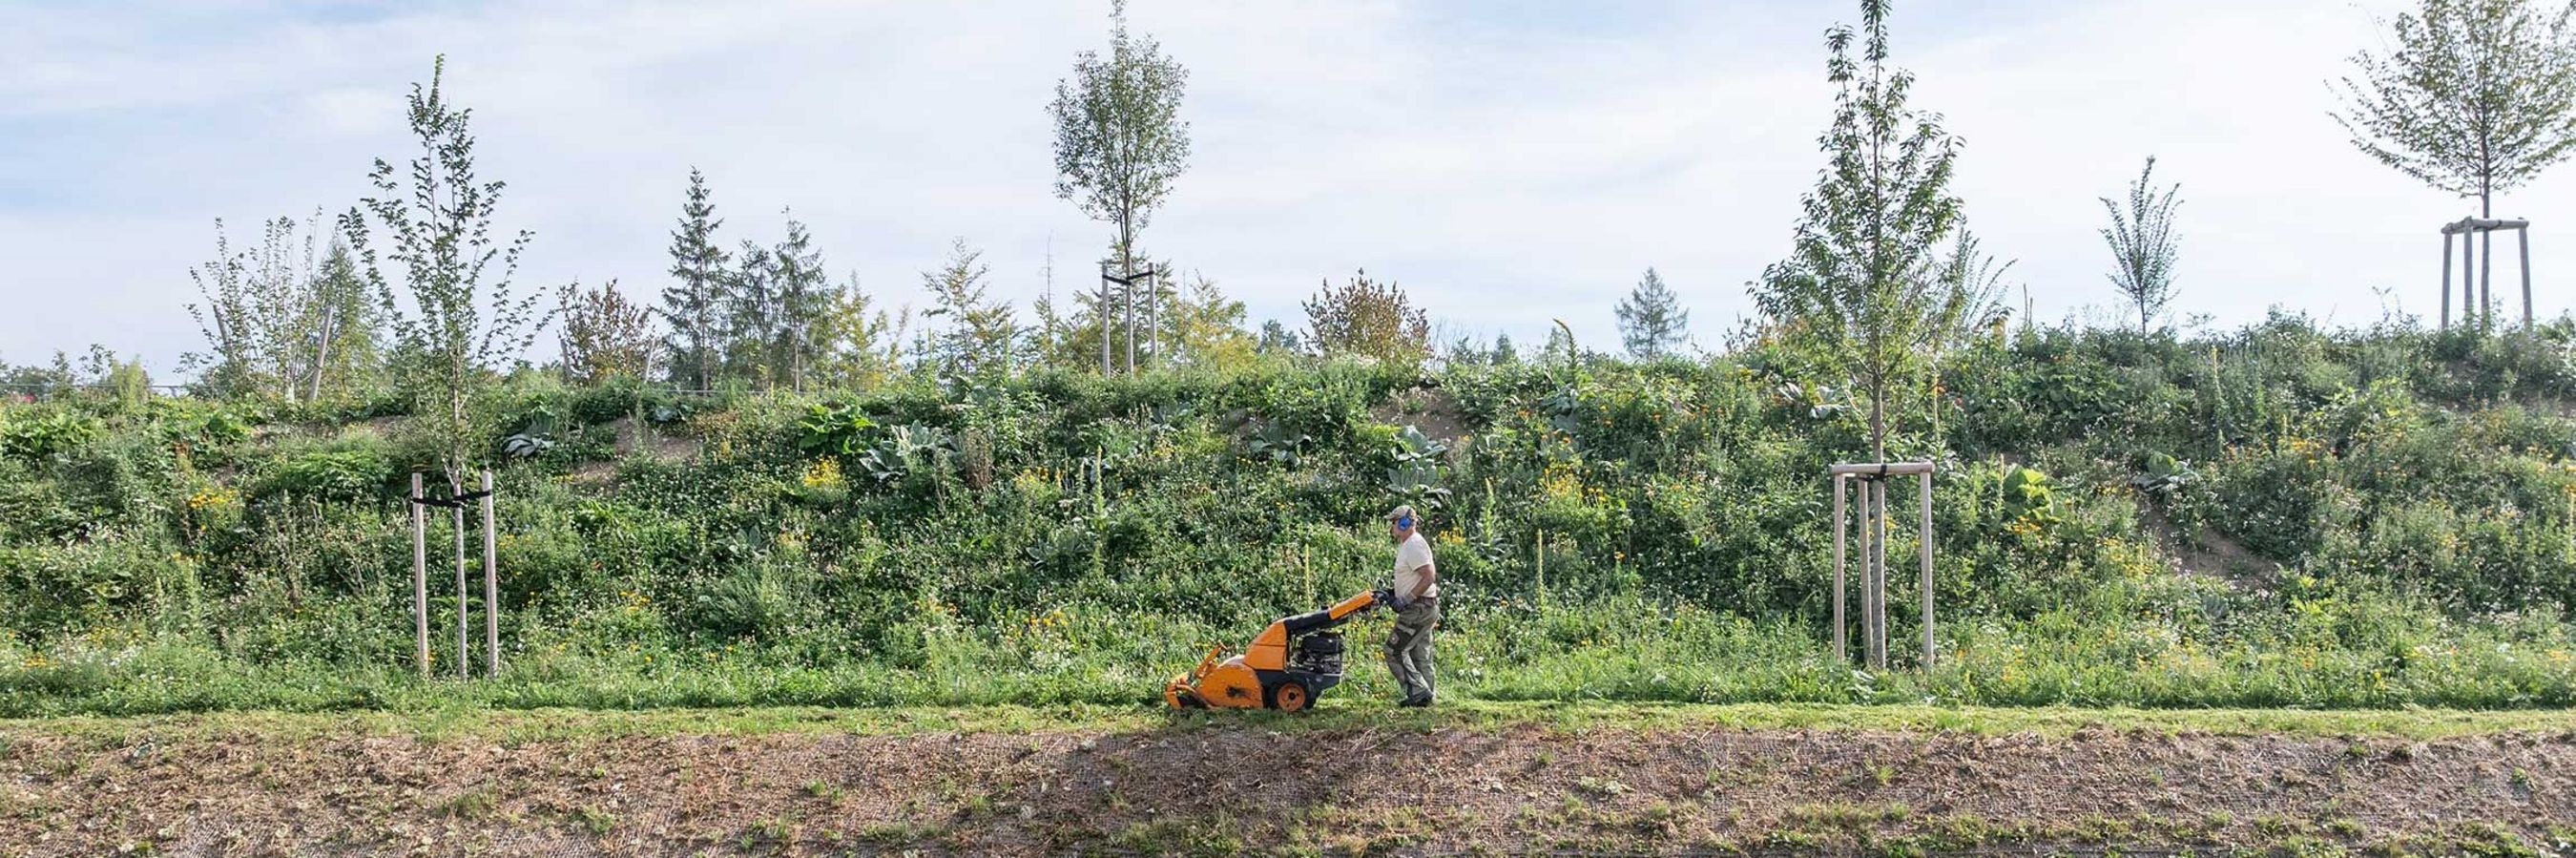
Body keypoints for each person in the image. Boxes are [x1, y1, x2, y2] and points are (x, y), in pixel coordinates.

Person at [1381, 504, 1440, 707]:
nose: (1391, 526)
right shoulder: (1410, 545)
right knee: (1419, 654)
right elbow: (1414, 577)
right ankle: (1427, 698)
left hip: (1418, 608)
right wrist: (1394, 593)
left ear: (1405, 522)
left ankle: (1417, 691)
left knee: (1394, 650)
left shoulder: (1414, 544)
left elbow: (1429, 575)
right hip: (1425, 606)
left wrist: (1407, 598)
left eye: (1394, 522)